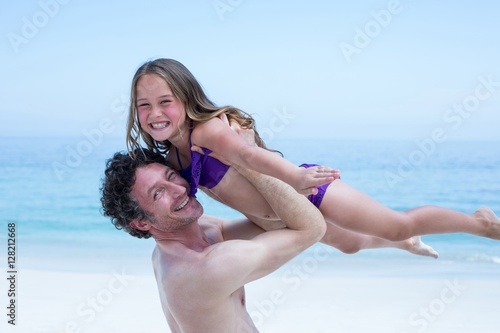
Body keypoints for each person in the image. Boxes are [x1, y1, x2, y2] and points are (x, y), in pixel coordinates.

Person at [125, 58, 500, 258]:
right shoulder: (173, 159)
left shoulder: (207, 132)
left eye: (165, 102)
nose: (155, 113)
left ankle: (480, 222)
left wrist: (296, 177)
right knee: (351, 245)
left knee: (396, 223)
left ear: (187, 99)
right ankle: (404, 245)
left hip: (302, 192)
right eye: (145, 105)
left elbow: (247, 154)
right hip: (275, 216)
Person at [100, 146, 327, 332]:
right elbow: (312, 228)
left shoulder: (180, 243)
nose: (178, 189)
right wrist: (242, 157)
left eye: (171, 177)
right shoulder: (206, 268)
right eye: (157, 193)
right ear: (141, 223)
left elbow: (272, 223)